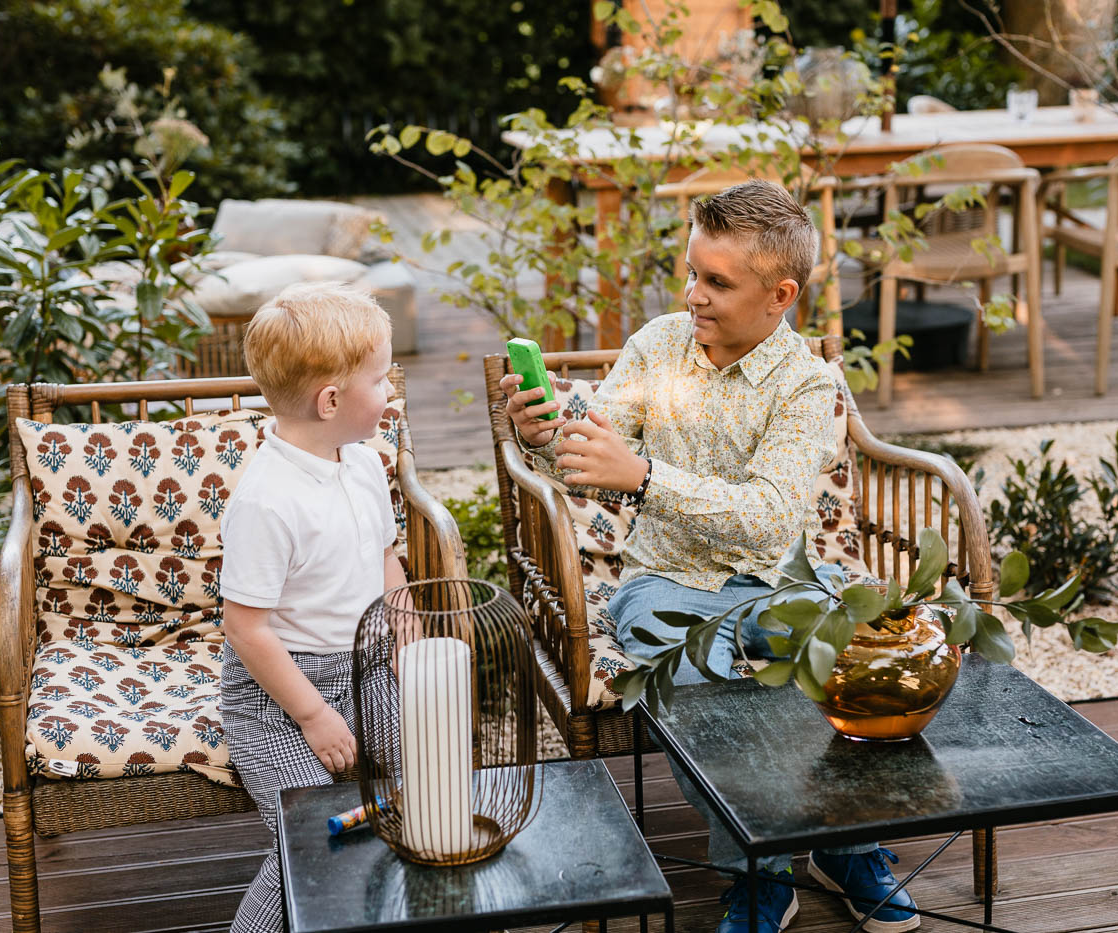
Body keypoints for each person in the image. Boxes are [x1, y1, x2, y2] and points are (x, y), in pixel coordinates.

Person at [501, 180, 920, 933]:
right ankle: (761, 870)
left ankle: (846, 846)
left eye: (717, 282)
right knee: (696, 692)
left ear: (779, 295)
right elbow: (591, 451)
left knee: (861, 665)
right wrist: (543, 432)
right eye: (692, 272)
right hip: (666, 582)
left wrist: (645, 476)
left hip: (784, 582)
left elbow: (767, 520)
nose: (693, 293)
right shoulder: (657, 345)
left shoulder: (804, 383)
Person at [219, 282, 408, 933]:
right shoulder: (267, 501)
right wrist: (314, 716)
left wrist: (407, 634)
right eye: (379, 380)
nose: (391, 392)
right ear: (331, 401)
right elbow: (244, 628)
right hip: (279, 698)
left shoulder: (363, 463)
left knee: (428, 784)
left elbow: (384, 557)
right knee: (315, 833)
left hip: (367, 668)